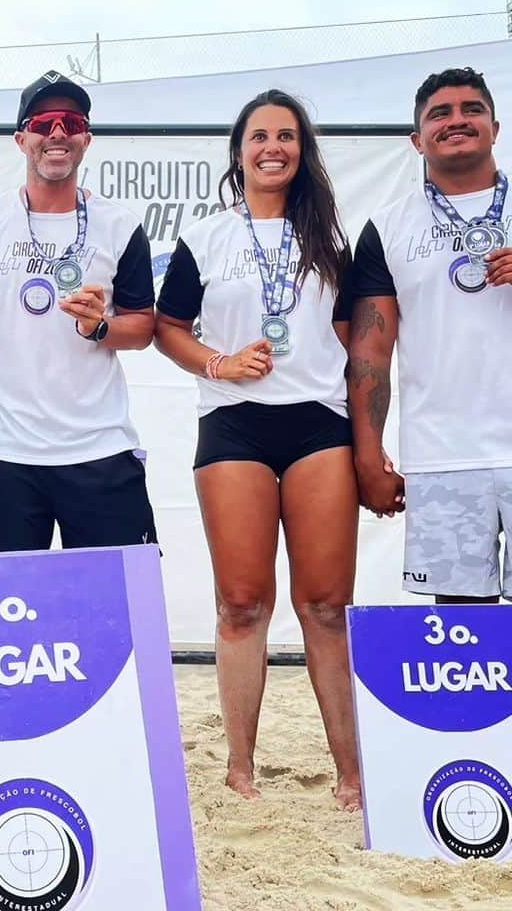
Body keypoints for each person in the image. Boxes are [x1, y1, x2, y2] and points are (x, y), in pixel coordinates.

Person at [154, 89, 361, 808]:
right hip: (235, 426)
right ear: (238, 150)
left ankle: (352, 774)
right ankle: (241, 769)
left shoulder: (332, 241)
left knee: (327, 606)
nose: (273, 147)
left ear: (302, 152)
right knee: (242, 604)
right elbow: (167, 327)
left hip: (317, 427)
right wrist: (216, 361)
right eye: (259, 136)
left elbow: (362, 342)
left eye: (287, 136)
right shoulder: (206, 237)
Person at [0, 70, 157, 554]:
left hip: (100, 448)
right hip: (10, 454)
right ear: (22, 140)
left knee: (114, 610)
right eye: (43, 123)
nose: (57, 133)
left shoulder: (119, 225)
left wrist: (99, 327)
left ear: (86, 138)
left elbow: (143, 326)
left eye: (70, 121)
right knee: (13, 615)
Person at [350, 67, 512, 604]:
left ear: (495, 126)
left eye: (472, 109)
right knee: (465, 632)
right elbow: (371, 350)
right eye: (439, 113)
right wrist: (368, 456)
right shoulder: (387, 227)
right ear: (418, 139)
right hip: (443, 456)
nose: (457, 120)